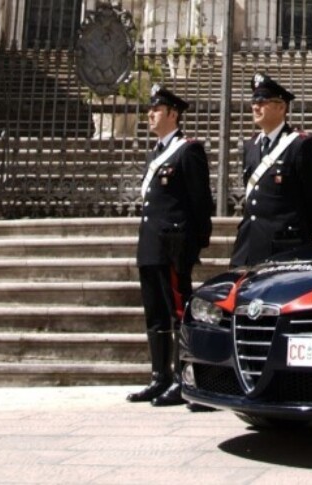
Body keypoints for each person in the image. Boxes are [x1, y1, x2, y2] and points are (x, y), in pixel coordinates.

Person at [127, 85, 213, 407]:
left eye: (157, 110)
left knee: (178, 313)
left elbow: (200, 202)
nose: (150, 114)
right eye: (150, 110)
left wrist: (193, 247)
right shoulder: (154, 154)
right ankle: (158, 376)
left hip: (174, 248)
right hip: (151, 245)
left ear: (173, 114)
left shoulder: (187, 150)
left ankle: (181, 378)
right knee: (156, 315)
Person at [229, 73, 312, 268]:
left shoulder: (299, 145)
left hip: (283, 247)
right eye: (254, 101)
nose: (256, 106)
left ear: (281, 107)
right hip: (249, 245)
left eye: (262, 101)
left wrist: (300, 240)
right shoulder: (251, 146)